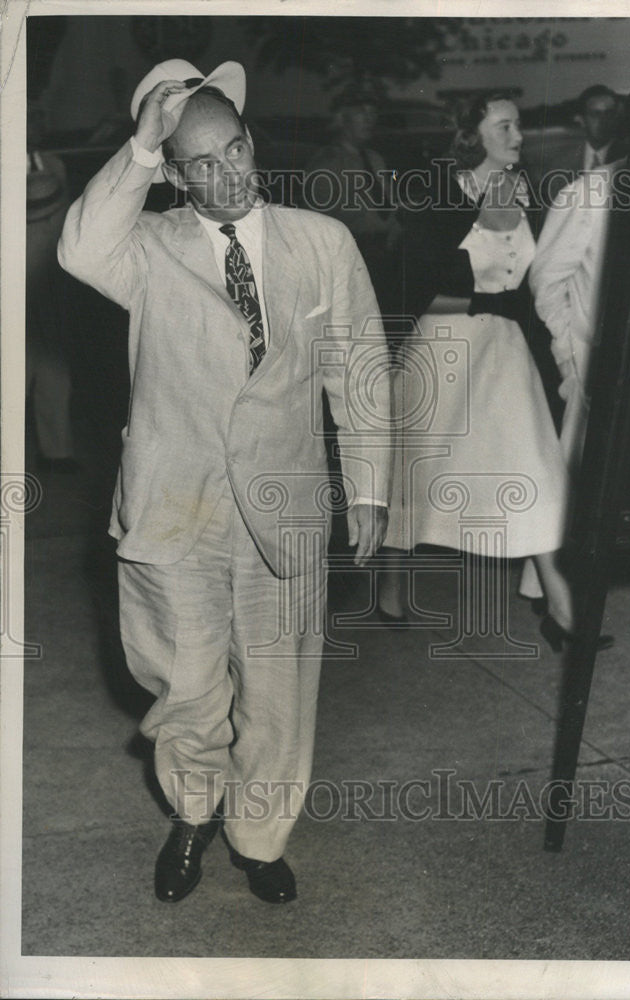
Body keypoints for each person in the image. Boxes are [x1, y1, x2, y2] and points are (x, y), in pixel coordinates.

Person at [58, 59, 390, 905]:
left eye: (235, 148)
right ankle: (194, 814)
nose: (229, 172)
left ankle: (260, 837)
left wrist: (370, 487)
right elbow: (78, 245)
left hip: (284, 509)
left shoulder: (322, 243)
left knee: (280, 692)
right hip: (176, 509)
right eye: (201, 162)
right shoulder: (145, 250)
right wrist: (137, 147)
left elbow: (358, 371)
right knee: (187, 688)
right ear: (173, 174)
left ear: (252, 141)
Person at [378, 92, 604, 652]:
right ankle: (389, 584)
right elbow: (409, 288)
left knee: (540, 474)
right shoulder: (441, 195)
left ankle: (560, 607)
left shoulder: (532, 192)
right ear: (472, 135)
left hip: (505, 355)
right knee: (415, 475)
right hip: (442, 353)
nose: (518, 135)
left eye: (519, 125)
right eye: (504, 126)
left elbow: (541, 279)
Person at [517, 160, 624, 606]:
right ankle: (551, 595)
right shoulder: (591, 191)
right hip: (596, 357)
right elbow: (545, 281)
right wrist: (570, 353)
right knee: (576, 474)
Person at [303, 87, 401, 316]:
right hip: (353, 259)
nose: (369, 118)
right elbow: (316, 225)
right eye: (360, 112)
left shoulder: (375, 159)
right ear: (341, 118)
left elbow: (390, 204)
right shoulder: (327, 165)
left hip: (385, 255)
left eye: (373, 112)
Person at [26, 105, 78, 472]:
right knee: (16, 367)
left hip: (51, 279)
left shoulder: (55, 164)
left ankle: (56, 452)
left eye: (35, 120)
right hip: (14, 278)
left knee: (55, 367)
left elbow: (63, 216)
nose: (32, 127)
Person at [539, 84, 626, 206]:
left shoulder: (627, 160)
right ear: (581, 119)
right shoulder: (560, 165)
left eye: (609, 113)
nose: (603, 121)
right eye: (595, 114)